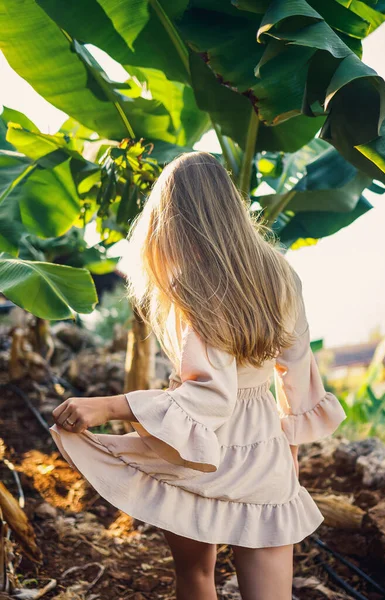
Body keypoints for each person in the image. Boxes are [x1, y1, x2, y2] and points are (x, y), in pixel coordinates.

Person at [50, 152, 347, 600]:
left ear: (172, 218)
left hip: (197, 452)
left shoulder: (193, 284)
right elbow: (298, 370)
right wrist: (289, 451)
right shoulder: (281, 273)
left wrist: (108, 406)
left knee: (195, 576)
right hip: (264, 449)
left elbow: (209, 396)